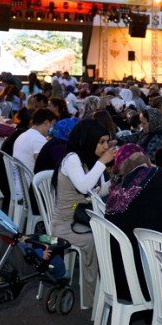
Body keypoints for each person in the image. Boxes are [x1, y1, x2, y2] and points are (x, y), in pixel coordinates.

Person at [105, 143, 162, 300]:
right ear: (145, 159)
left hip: (120, 279)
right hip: (153, 280)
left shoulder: (116, 192)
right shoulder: (158, 174)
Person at [51, 119, 116, 304]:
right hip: (64, 225)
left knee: (109, 236)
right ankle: (93, 296)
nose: (104, 147)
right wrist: (102, 163)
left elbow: (98, 192)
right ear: (88, 139)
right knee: (99, 241)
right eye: (101, 142)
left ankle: (105, 288)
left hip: (79, 219)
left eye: (106, 142)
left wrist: (115, 178)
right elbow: (84, 187)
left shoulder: (87, 159)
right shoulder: (72, 158)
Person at [12, 108, 55, 172]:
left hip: (20, 179)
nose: (53, 128)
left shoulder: (24, 135)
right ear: (46, 123)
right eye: (53, 124)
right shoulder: (39, 139)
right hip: (31, 180)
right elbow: (43, 166)